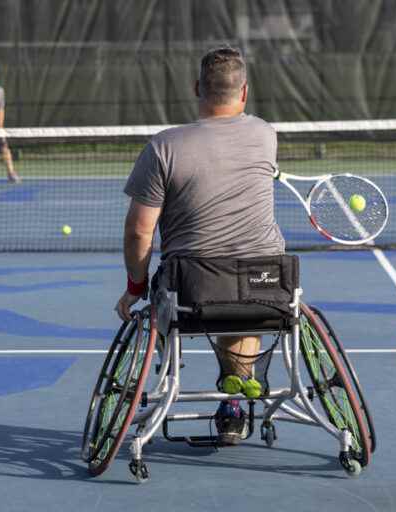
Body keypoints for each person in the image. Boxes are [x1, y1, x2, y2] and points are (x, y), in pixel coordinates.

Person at [114, 47, 285, 445]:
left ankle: (162, 383)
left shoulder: (163, 147)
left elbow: (140, 232)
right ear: (244, 92)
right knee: (244, 290)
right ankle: (235, 399)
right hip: (269, 285)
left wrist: (135, 287)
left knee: (192, 291)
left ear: (196, 88)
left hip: (191, 289)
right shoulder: (265, 134)